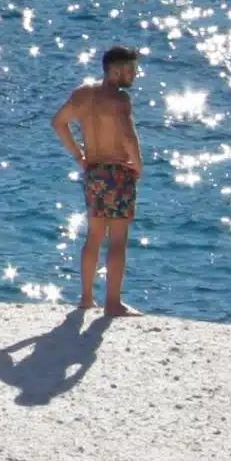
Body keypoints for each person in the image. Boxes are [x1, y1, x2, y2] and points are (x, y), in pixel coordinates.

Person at [51, 46, 144, 317]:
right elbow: (128, 136)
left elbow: (58, 123)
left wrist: (79, 156)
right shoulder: (119, 100)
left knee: (93, 236)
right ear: (114, 70)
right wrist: (137, 165)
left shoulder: (83, 94)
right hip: (118, 171)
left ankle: (86, 298)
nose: (133, 75)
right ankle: (113, 303)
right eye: (129, 70)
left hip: (93, 172)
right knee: (117, 239)